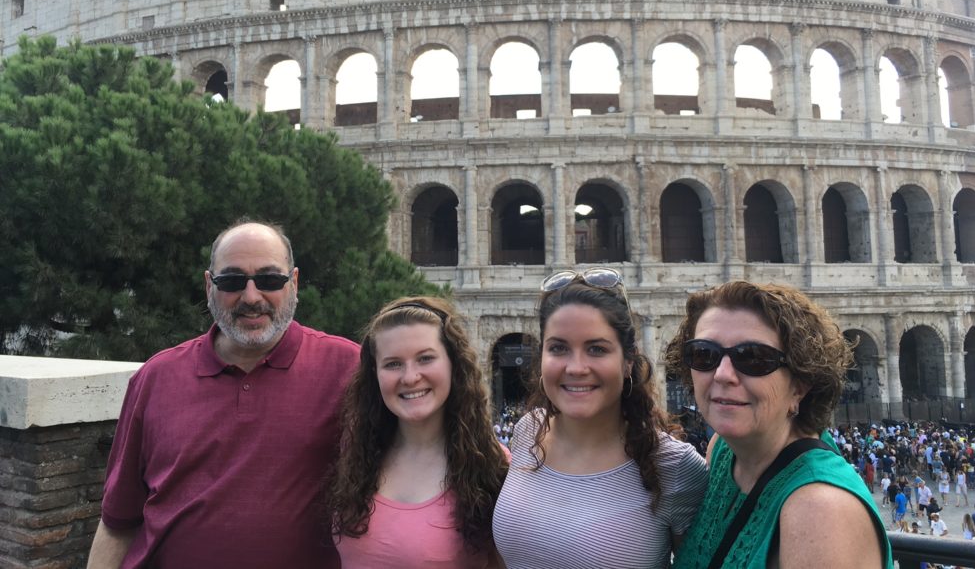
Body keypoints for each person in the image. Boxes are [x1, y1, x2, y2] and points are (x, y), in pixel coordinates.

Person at [86, 220, 360, 569]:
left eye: (269, 280)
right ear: (208, 285)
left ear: (294, 283)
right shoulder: (156, 378)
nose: (251, 297)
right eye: (231, 281)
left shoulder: (348, 369)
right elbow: (118, 520)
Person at [664, 281, 891, 569]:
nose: (722, 374)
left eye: (753, 358)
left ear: (800, 385)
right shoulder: (721, 451)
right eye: (704, 354)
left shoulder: (821, 511)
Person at [492, 268, 708, 568]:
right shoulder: (528, 430)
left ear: (628, 361)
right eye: (559, 348)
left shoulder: (674, 466)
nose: (576, 367)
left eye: (596, 349)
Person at [328, 297, 508, 567]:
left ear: (453, 365)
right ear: (374, 374)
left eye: (425, 358)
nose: (410, 377)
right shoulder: (356, 451)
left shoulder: (493, 466)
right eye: (393, 364)